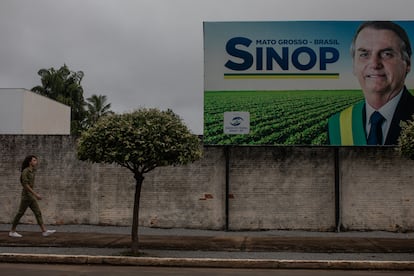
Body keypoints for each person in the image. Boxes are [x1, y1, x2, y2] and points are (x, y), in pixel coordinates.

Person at [329, 21, 414, 145]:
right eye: (364, 54)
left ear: (407, 64)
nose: (374, 64)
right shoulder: (337, 124)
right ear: (354, 65)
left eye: (387, 54)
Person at [9, 155, 56, 238]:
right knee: (20, 213)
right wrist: (36, 194)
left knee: (37, 212)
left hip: (30, 196)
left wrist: (33, 194)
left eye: (36, 160)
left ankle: (44, 231)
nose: (36, 162)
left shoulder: (32, 170)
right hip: (26, 196)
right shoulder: (25, 171)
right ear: (30, 162)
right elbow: (25, 185)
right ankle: (12, 231)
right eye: (34, 160)